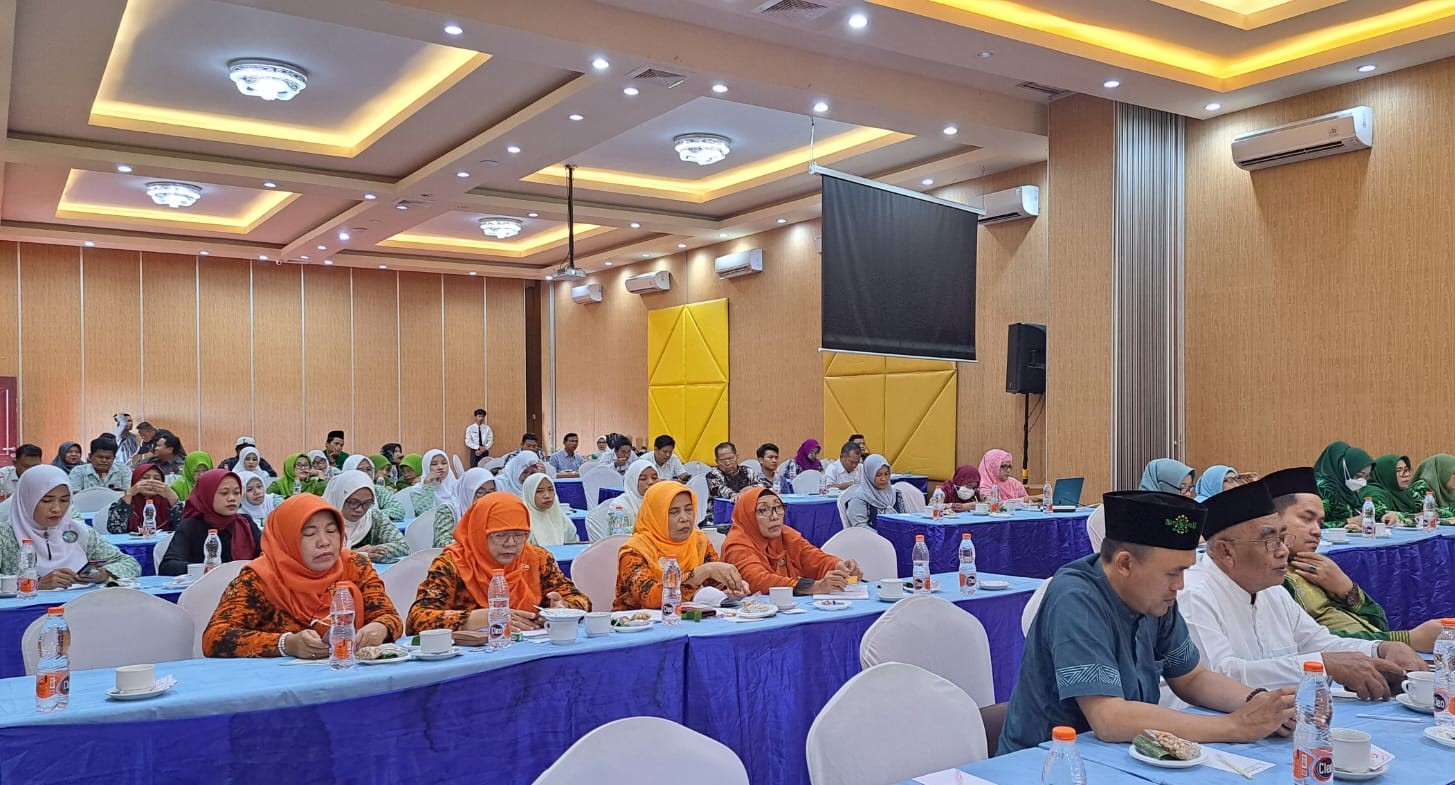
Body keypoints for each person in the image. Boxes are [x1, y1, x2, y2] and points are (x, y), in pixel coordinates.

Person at [998, 490, 1297, 754]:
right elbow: (1108, 717)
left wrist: (1257, 702)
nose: (1180, 585)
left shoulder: (1154, 596)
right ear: (1125, 563)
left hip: (1122, 754)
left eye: (1185, 571)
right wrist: (1235, 727)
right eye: (1172, 573)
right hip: (1046, 762)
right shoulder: (1075, 598)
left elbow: (1192, 678)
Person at [1178, 479, 1426, 699]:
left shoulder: (1271, 590)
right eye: (1270, 541)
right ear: (1225, 551)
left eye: (1282, 538)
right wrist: (1322, 666)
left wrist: (1380, 649)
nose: (1283, 551)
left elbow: (1318, 643)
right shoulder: (1194, 594)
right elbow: (1218, 676)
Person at [1269, 467, 1448, 652]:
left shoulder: (1317, 566)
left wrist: (1347, 589)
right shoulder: (1272, 582)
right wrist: (1407, 639)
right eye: (1307, 519)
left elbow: (1378, 623)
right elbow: (1312, 642)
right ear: (1274, 520)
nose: (1317, 531)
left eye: (1320, 523)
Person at [202, 493, 400, 658]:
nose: (324, 542)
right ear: (286, 539)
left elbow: (389, 616)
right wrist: (286, 644)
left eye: (332, 531)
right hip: (281, 684)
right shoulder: (259, 579)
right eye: (309, 534)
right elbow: (215, 637)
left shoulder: (355, 565)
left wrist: (380, 628)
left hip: (350, 674)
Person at [408, 492, 589, 633]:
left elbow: (581, 600)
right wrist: (485, 617)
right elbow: (417, 620)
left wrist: (563, 608)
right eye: (500, 535)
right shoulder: (452, 564)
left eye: (519, 535)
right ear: (479, 533)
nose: (511, 543)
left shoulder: (537, 559)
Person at [612, 481, 749, 611]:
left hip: (689, 618)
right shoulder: (634, 551)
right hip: (638, 623)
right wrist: (699, 573)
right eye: (674, 512)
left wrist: (733, 589)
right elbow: (651, 598)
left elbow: (716, 585)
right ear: (656, 515)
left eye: (689, 510)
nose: (685, 518)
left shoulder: (698, 541)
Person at [0, 466, 140, 586]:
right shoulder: (5, 536)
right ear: (26, 500)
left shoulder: (77, 531)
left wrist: (104, 573)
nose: (56, 509)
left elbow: (129, 563)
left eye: (64, 500)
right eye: (47, 500)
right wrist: (36, 584)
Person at [722, 487, 861, 594]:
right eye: (763, 510)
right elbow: (757, 581)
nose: (774, 516)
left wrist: (838, 566)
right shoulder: (737, 544)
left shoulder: (786, 534)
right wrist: (813, 587)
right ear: (748, 516)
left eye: (778, 507)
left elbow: (814, 558)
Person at [158, 469, 262, 576]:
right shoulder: (191, 526)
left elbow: (265, 557)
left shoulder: (245, 522)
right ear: (207, 494)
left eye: (236, 493)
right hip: (204, 584)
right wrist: (206, 569)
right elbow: (167, 566)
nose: (232, 498)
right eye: (224, 493)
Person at [322, 470, 408, 562]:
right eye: (353, 502)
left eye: (367, 503)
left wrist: (372, 551)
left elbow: (403, 547)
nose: (360, 509)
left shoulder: (374, 518)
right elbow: (317, 557)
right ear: (339, 497)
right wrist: (355, 555)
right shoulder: (321, 521)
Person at [584, 460, 655, 540]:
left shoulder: (660, 501)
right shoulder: (619, 506)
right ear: (632, 481)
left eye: (654, 478)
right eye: (643, 479)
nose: (651, 482)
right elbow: (620, 538)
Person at [105, 463, 183, 534]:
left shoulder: (168, 503)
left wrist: (173, 498)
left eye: (157, 479)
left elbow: (183, 530)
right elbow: (115, 530)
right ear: (135, 481)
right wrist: (129, 494)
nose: (151, 481)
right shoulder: (125, 502)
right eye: (145, 478)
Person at [1313, 440, 1375, 529]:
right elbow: (1312, 525)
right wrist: (1348, 522)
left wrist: (1388, 514)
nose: (1362, 481)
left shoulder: (1345, 487)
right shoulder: (1322, 487)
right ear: (1344, 469)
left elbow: (1360, 512)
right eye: (1358, 475)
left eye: (1366, 476)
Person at [704, 441, 770, 523]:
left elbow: (765, 485)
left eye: (731, 458)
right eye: (723, 460)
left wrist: (749, 489)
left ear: (737, 456)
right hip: (718, 519)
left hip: (747, 516)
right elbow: (721, 490)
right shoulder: (712, 475)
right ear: (717, 461)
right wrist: (734, 495)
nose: (728, 463)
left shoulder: (747, 471)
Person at [432, 467, 497, 547]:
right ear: (467, 492)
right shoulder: (448, 510)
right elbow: (443, 543)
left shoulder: (494, 511)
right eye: (480, 492)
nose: (485, 498)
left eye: (490, 493)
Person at [841, 454, 904, 528]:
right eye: (878, 475)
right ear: (869, 474)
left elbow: (904, 519)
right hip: (871, 535)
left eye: (886, 474)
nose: (883, 479)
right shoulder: (859, 499)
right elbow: (860, 527)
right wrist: (883, 534)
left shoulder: (895, 494)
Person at [1358, 454, 1423, 524]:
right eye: (1399, 470)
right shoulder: (1373, 493)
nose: (1406, 474)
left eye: (1406, 470)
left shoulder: (1402, 491)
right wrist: (1417, 516)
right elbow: (1383, 516)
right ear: (1385, 473)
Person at [341, 455, 406, 522]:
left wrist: (369, 515)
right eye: (360, 470)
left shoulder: (378, 490)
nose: (365, 473)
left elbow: (399, 511)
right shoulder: (340, 491)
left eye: (368, 469)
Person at [521, 473, 580, 546]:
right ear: (529, 494)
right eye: (539, 491)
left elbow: (575, 546)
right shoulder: (523, 523)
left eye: (550, 490)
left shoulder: (563, 520)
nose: (547, 495)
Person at [1413, 453, 1455, 519]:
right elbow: (1428, 514)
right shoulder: (1421, 487)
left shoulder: (1451, 490)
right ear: (1442, 472)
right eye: (1454, 473)